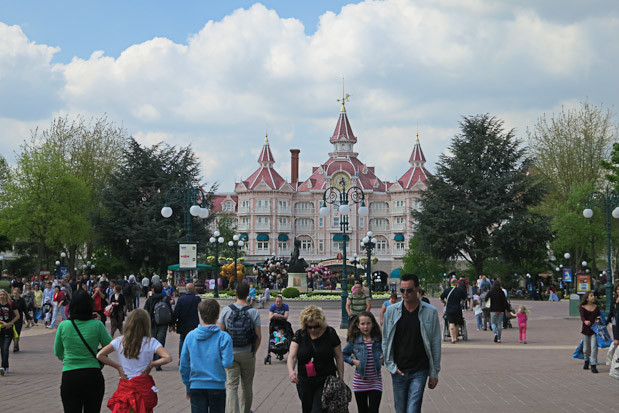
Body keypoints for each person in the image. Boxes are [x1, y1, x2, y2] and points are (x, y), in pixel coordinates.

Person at [382, 273, 441, 413]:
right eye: (402, 290)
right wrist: (391, 366)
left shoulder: (430, 312)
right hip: (399, 369)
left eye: (409, 290)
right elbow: (385, 340)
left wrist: (434, 373)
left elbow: (435, 343)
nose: (405, 293)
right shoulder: (391, 311)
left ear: (417, 290)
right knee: (400, 409)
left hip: (420, 370)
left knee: (413, 409)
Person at [97, 309, 172, 412]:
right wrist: (151, 364)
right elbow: (167, 358)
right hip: (143, 386)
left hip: (125, 386)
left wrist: (118, 367)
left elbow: (100, 355)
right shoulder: (151, 342)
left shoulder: (119, 341)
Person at [54, 289, 113, 412]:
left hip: (70, 375)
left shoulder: (64, 325)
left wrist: (67, 359)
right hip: (93, 375)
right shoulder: (97, 325)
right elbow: (110, 345)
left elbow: (58, 352)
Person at [287, 305, 344, 413]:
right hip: (304, 380)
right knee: (307, 409)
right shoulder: (300, 334)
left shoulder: (330, 333)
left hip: (326, 379)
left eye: (316, 326)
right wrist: (291, 372)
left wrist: (341, 378)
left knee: (317, 410)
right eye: (309, 327)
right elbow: (292, 356)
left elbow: (338, 356)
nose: (313, 329)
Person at [181, 299, 234, 413]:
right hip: (217, 385)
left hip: (196, 385)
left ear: (200, 314)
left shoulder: (190, 336)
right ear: (218, 315)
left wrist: (187, 385)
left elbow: (184, 365)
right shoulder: (224, 337)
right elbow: (227, 363)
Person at [217, 282, 261, 413]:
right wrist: (253, 351)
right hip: (247, 352)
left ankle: (232, 411)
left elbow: (220, 333)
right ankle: (245, 411)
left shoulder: (226, 310)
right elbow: (258, 336)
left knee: (231, 385)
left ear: (235, 292)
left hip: (230, 353)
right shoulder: (253, 312)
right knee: (247, 385)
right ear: (248, 294)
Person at [342, 311, 383, 413]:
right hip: (360, 382)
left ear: (372, 324)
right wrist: (353, 361)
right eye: (363, 324)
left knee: (374, 410)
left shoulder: (378, 340)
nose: (366, 327)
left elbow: (387, 354)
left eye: (368, 323)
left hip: (376, 382)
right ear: (358, 325)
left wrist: (383, 360)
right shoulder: (354, 341)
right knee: (362, 410)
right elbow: (343, 354)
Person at [144, 283, 172, 371]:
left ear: (153, 290)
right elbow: (170, 311)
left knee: (152, 341)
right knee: (161, 341)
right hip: (163, 323)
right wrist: (171, 324)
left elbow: (145, 311)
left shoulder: (150, 299)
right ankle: (158, 362)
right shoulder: (165, 298)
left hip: (152, 323)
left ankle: (151, 360)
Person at [172, 282, 202, 357]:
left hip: (183, 323)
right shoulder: (197, 299)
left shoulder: (181, 299)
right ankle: (192, 357)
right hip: (193, 324)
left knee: (182, 340)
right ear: (194, 290)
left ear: (186, 290)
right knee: (193, 341)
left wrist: (173, 323)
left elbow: (176, 312)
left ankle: (181, 358)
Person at [440, 278, 467, 344]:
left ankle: (453, 338)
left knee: (451, 322)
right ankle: (456, 336)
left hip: (449, 309)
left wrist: (445, 303)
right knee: (457, 323)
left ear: (450, 283)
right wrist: (462, 303)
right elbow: (465, 298)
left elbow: (441, 298)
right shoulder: (459, 290)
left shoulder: (447, 290)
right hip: (457, 309)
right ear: (456, 283)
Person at [579, 291, 601, 373]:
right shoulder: (582, 307)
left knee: (594, 347)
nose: (593, 297)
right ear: (587, 298)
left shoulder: (596, 307)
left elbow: (599, 316)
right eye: (591, 295)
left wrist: (598, 319)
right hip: (585, 330)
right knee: (586, 348)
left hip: (594, 330)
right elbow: (582, 317)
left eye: (593, 295)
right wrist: (585, 321)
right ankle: (586, 360)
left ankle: (593, 365)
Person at [0, 289, 20, 376]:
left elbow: (17, 315)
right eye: (0, 294)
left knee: (5, 348)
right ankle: (5, 366)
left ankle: (3, 367)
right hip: (0, 328)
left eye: (3, 294)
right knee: (2, 349)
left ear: (6, 295)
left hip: (9, 329)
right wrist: (2, 322)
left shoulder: (11, 304)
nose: (2, 296)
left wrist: (10, 323)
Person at [487, 279, 510, 343]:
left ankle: (495, 333)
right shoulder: (501, 292)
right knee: (499, 324)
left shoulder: (491, 291)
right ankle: (499, 338)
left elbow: (486, 298)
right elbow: (505, 302)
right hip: (501, 310)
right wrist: (508, 309)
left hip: (493, 310)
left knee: (493, 323)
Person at [10, 288, 26, 352]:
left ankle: (16, 345)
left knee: (17, 332)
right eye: (14, 293)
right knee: (10, 332)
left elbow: (25, 309)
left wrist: (28, 318)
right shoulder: (10, 299)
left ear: (19, 294)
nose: (15, 295)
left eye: (16, 293)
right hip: (11, 318)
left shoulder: (22, 300)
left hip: (19, 318)